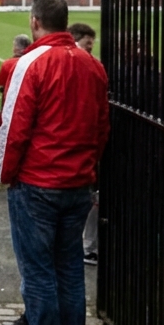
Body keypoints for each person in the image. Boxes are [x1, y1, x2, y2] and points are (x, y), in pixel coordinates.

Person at [0, 0, 109, 325]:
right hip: (78, 183)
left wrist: (4, 173)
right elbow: (101, 128)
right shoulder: (92, 65)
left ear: (34, 21)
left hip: (38, 182)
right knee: (70, 268)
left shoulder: (31, 63)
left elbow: (14, 128)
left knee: (40, 271)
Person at [69, 23, 100, 267]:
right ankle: (86, 248)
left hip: (74, 163)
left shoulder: (94, 68)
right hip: (78, 162)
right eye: (87, 43)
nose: (90, 49)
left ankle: (87, 247)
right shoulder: (93, 68)